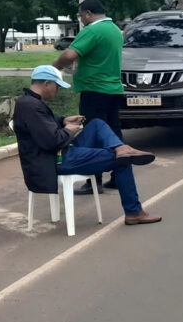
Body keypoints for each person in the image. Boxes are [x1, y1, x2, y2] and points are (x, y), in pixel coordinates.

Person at [13, 65, 161, 225]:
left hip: (58, 154)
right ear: (47, 83)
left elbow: (44, 125)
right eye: (57, 86)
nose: (57, 90)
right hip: (54, 160)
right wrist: (69, 131)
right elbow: (52, 141)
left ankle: (120, 148)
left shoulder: (30, 102)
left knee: (97, 124)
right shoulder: (30, 106)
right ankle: (134, 212)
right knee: (123, 160)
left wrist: (63, 121)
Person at [52, 0, 125, 195]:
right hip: (114, 89)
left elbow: (69, 55)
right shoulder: (115, 31)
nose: (81, 19)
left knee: (92, 133)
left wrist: (54, 67)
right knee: (114, 133)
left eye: (81, 15)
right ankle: (119, 176)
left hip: (94, 89)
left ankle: (94, 181)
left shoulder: (92, 30)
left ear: (88, 13)